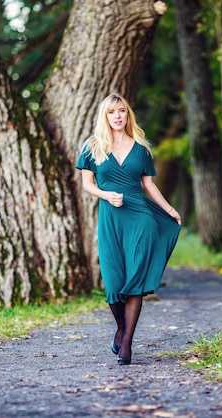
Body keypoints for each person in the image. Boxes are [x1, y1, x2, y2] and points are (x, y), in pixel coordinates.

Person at [75, 93, 181, 365]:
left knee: (134, 280)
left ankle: (128, 344)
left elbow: (148, 185)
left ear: (128, 115)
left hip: (140, 218)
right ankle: (120, 328)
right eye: (112, 112)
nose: (118, 116)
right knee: (113, 283)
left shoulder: (141, 148)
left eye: (122, 111)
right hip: (111, 218)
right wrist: (106, 194)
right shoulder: (93, 146)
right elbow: (87, 184)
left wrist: (169, 209)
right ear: (105, 116)